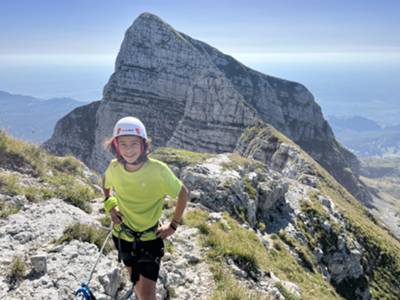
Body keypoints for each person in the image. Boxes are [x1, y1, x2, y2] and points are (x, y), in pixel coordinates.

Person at [102, 116, 189, 300]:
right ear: (116, 146)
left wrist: (173, 225)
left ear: (143, 144)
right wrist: (110, 205)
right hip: (123, 236)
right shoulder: (114, 168)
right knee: (137, 285)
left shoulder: (158, 170)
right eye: (123, 144)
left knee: (148, 295)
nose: (128, 149)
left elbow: (183, 193)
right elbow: (105, 183)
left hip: (150, 238)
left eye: (134, 143)